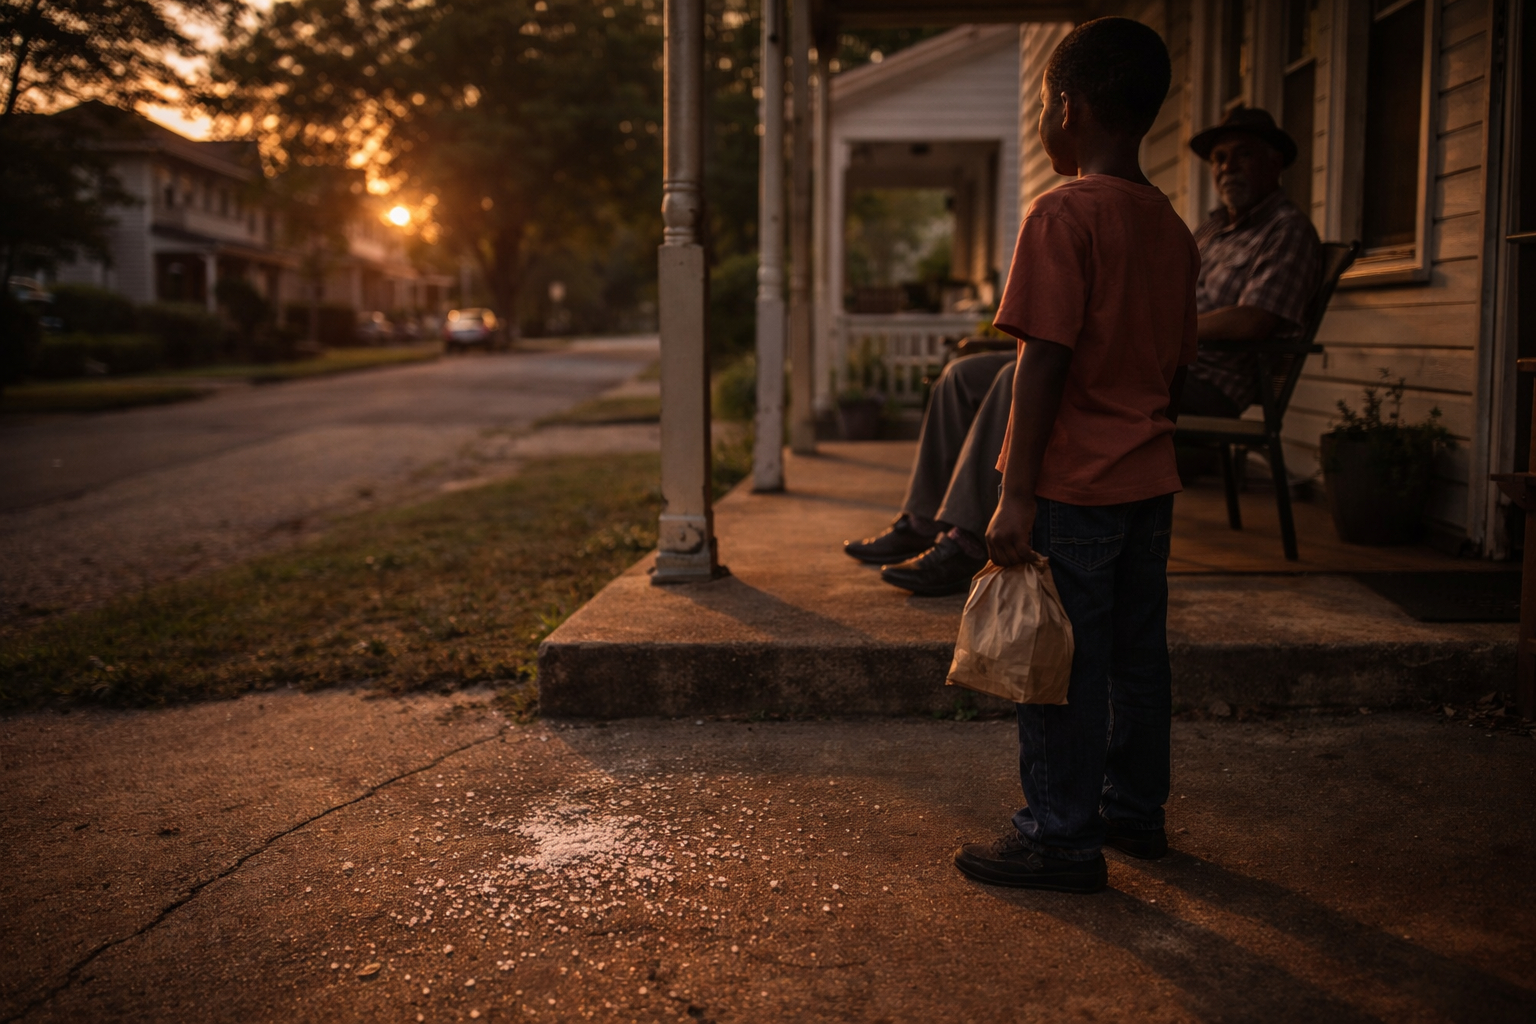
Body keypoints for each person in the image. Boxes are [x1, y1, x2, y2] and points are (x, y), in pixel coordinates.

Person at [845, 104, 1320, 597]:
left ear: (1275, 163)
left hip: (1196, 378)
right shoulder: (1210, 229)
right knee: (963, 374)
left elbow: (1255, 319)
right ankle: (924, 519)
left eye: (1242, 155)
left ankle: (966, 540)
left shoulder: (1287, 232)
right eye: (1220, 157)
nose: (1227, 167)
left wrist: (1145, 330)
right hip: (1124, 354)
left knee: (1019, 377)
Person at [947, 17, 1198, 894]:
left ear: (1068, 106)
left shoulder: (1061, 214)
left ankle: (1060, 837)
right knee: (1137, 660)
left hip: (1076, 489)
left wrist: (1015, 496)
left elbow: (1041, 361)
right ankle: (1135, 815)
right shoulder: (1169, 226)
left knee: (1059, 666)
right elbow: (1175, 364)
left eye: (1048, 108)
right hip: (1148, 482)